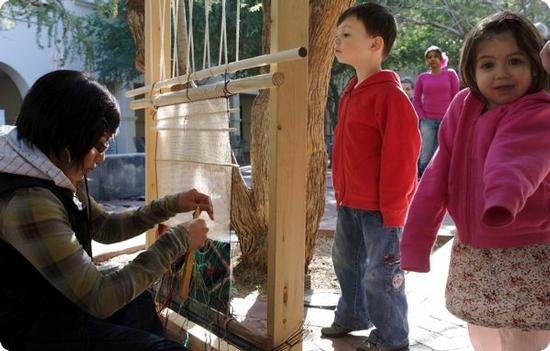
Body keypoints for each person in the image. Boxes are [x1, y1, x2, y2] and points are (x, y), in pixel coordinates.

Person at [0, 70, 214, 351]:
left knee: (137, 301)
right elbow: (100, 298)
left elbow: (105, 227)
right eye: (99, 145)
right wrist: (178, 241)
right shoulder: (28, 201)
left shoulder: (48, 165)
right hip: (42, 330)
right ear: (69, 142)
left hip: (65, 305)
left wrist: (171, 205)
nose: (103, 156)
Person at [400, 11, 550, 351]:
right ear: (471, 69)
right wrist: (415, 242)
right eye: (488, 65)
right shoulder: (463, 107)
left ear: (534, 64)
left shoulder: (538, 110)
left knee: (522, 339)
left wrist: (502, 198)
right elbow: (436, 177)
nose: (502, 73)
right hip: (474, 249)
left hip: (525, 251)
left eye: (514, 61)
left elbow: (515, 160)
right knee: (481, 332)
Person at [321, 3, 420, 351]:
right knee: (346, 262)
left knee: (382, 275)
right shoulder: (352, 90)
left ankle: (392, 337)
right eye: (337, 35)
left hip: (381, 209)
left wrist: (394, 210)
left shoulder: (390, 96)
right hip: (351, 201)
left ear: (375, 44)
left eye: (346, 35)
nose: (337, 41)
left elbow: (403, 157)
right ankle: (352, 315)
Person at [413, 45, 460, 177]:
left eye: (435, 56)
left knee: (443, 153)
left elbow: (456, 96)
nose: (432, 59)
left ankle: (441, 181)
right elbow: (416, 100)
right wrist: (422, 115)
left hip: (446, 120)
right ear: (426, 61)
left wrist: (452, 116)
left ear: (441, 58)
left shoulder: (450, 74)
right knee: (426, 154)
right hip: (427, 120)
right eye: (429, 57)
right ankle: (422, 181)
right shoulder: (422, 77)